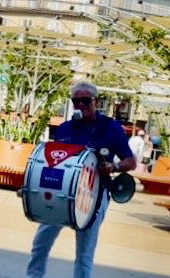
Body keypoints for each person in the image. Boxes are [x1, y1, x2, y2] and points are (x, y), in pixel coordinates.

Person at [25, 81, 136, 278]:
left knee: (84, 253)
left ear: (96, 101)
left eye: (86, 101)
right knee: (41, 244)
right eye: (76, 101)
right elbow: (54, 162)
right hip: (61, 192)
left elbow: (131, 161)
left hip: (93, 195)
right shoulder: (65, 129)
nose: (81, 105)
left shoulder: (111, 128)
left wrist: (114, 167)